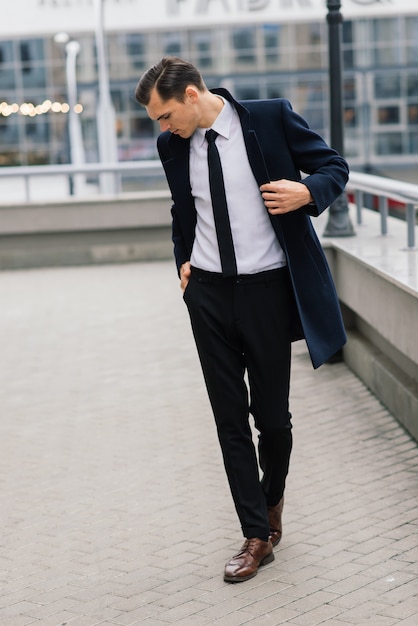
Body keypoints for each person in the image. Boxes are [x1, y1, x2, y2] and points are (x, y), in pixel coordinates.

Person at [135, 56, 349, 583]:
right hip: (207, 294)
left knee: (272, 420)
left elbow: (334, 168)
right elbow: (180, 209)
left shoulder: (270, 118)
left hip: (267, 291)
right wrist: (182, 260)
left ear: (189, 95)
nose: (162, 129)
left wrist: (307, 192)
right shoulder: (173, 147)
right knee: (229, 419)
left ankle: (271, 504)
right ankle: (255, 535)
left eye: (164, 116)